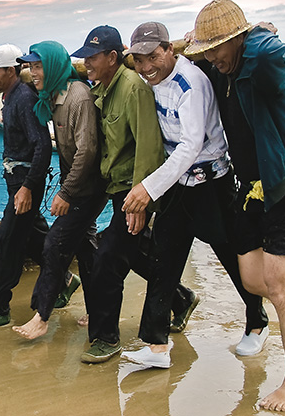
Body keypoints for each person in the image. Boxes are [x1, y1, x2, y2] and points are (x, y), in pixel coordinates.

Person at [184, 0, 285, 411]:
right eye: (207, 50)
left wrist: (258, 34)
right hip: (250, 185)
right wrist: (198, 49)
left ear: (238, 39)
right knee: (254, 278)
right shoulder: (223, 69)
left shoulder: (269, 58)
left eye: (218, 48)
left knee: (281, 285)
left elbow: (275, 52)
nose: (212, 58)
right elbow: (186, 59)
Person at [119, 22, 268, 368]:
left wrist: (147, 188)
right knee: (164, 257)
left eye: (153, 57)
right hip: (178, 185)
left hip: (210, 183)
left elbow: (190, 146)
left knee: (232, 256)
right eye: (139, 60)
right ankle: (157, 346)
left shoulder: (192, 83)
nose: (146, 67)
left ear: (170, 50)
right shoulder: (151, 82)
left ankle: (257, 322)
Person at [67, 25, 165, 364]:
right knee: (133, 252)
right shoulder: (104, 88)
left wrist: (141, 200)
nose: (87, 63)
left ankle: (106, 337)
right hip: (116, 189)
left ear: (112, 57)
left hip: (133, 191)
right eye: (84, 58)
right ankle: (180, 299)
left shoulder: (133, 88)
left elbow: (149, 147)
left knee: (108, 258)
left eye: (92, 57)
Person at [11, 41, 106, 340]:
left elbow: (87, 151)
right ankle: (98, 309)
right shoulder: (52, 96)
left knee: (54, 244)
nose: (32, 72)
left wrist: (65, 193)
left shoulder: (78, 97)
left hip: (89, 186)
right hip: (80, 185)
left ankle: (41, 317)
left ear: (52, 66)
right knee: (87, 249)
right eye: (29, 66)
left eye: (38, 66)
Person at [0, 44, 53, 330]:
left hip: (24, 183)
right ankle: (65, 280)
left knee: (6, 244)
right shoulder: (11, 98)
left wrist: (28, 188)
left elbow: (42, 145)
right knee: (33, 238)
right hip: (16, 182)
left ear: (10, 70)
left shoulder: (24, 100)